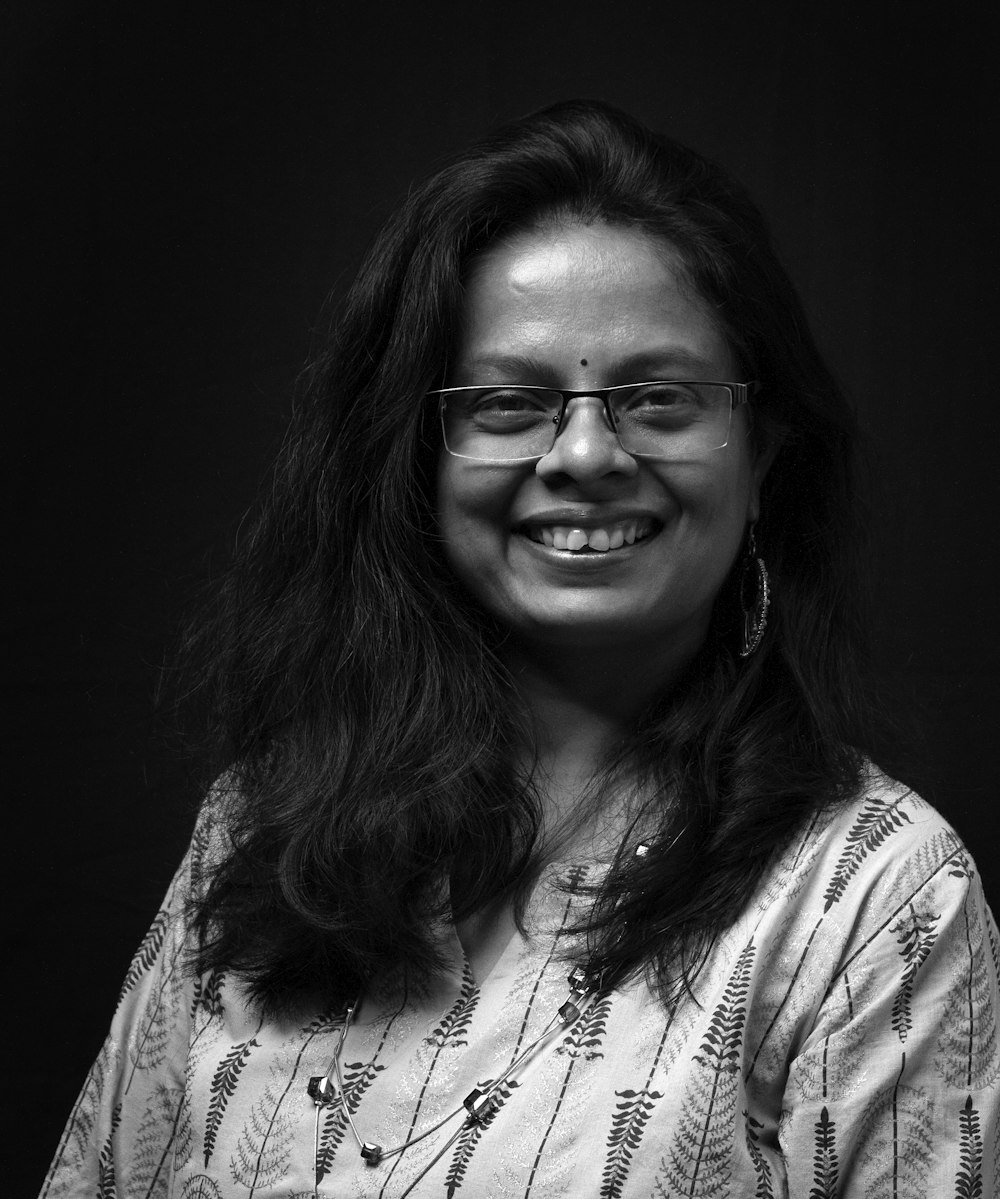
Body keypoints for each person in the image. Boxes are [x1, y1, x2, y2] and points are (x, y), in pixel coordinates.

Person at [41, 100, 999, 1199]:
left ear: (761, 452)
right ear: (420, 458)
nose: (586, 452)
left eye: (657, 397)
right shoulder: (262, 822)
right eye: (509, 402)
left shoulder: (877, 896)